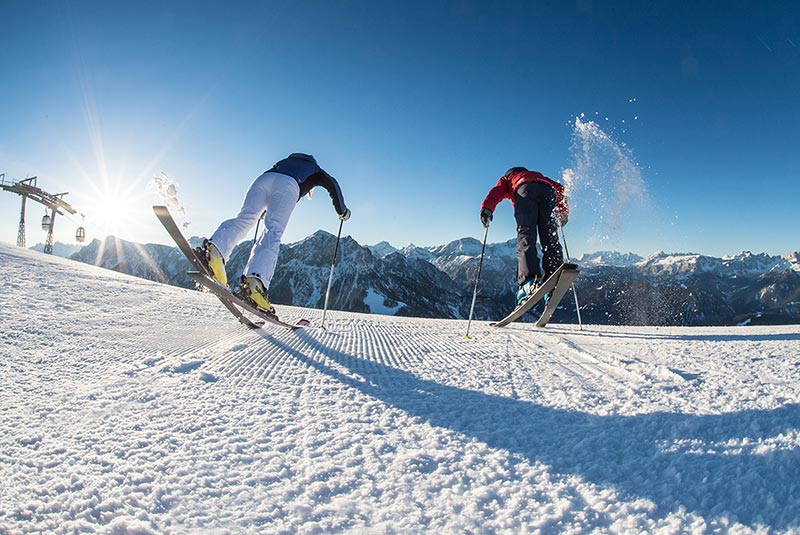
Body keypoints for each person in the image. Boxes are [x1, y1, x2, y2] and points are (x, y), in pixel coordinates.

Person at [196, 153, 350, 313]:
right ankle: (255, 285)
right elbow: (333, 184)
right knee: (273, 232)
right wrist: (342, 211)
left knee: (245, 218)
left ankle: (214, 252)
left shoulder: (283, 163)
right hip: (289, 185)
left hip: (263, 179)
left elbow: (273, 184)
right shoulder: (315, 170)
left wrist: (264, 207)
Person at [480, 166, 569, 305]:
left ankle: (528, 281)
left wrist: (487, 208)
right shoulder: (540, 176)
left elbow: (496, 191)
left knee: (526, 235)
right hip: (548, 192)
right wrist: (563, 212)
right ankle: (554, 278)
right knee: (550, 237)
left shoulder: (509, 179)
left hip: (524, 191)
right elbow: (560, 189)